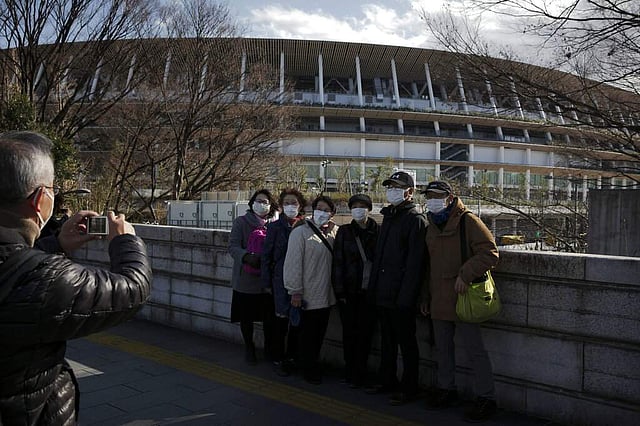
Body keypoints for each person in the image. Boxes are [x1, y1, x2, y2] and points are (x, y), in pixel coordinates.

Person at [0, 131, 152, 424]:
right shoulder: (46, 279)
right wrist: (125, 241)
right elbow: (133, 288)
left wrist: (55, 245)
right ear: (41, 200)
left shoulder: (32, 270)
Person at [419, 180, 500, 422]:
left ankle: (486, 397)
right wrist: (425, 295)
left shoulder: (468, 220)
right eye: (429, 196)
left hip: (465, 296)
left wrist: (466, 274)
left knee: (476, 350)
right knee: (442, 349)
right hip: (438, 297)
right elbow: (428, 264)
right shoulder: (431, 224)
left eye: (437, 195)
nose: (432, 200)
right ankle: (447, 389)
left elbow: (490, 252)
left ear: (450, 197)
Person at [366, 171, 428, 405]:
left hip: (401, 297)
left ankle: (409, 387)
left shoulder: (415, 220)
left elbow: (415, 265)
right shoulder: (389, 217)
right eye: (389, 186)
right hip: (383, 292)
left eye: (397, 187)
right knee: (388, 341)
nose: (392, 190)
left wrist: (406, 298)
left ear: (409, 192)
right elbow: (380, 259)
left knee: (407, 343)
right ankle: (386, 380)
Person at [283, 195, 338, 385]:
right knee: (307, 334)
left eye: (326, 209)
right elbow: (292, 264)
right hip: (307, 294)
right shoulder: (300, 233)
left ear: (332, 214)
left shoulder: (334, 233)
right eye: (318, 208)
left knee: (318, 333)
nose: (321, 212)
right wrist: (295, 291)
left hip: (326, 294)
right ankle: (307, 367)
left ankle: (309, 363)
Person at [332, 193, 379, 388]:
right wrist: (339, 290)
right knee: (349, 333)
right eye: (355, 206)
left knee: (366, 334)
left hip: (370, 292)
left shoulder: (379, 231)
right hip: (349, 292)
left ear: (369, 208)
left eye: (362, 206)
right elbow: (338, 262)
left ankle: (362, 370)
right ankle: (350, 369)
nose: (358, 209)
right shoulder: (345, 231)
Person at [228, 189, 279, 365]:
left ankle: (269, 350)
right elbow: (232, 247)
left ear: (271, 205)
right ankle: (249, 347)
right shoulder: (241, 222)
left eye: (265, 201)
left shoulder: (275, 224)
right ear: (251, 203)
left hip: (268, 280)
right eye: (258, 200)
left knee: (269, 318)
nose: (262, 204)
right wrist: (246, 256)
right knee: (246, 317)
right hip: (246, 279)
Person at [261, 188, 307, 376]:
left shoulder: (306, 226)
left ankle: (293, 357)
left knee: (297, 322)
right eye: (286, 203)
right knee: (280, 323)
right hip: (279, 282)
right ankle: (278, 357)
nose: (290, 207)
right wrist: (266, 283)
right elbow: (266, 257)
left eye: (294, 203)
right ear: (280, 206)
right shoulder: (274, 228)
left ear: (301, 206)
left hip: (301, 281)